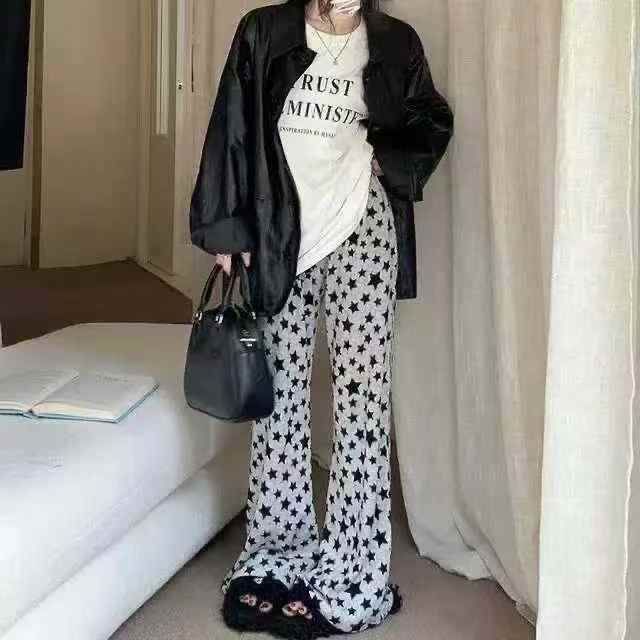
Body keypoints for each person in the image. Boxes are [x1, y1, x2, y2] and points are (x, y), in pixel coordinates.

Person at [189, 1, 453, 637]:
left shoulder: (394, 41)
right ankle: (277, 556)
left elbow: (432, 120)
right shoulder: (265, 31)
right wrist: (226, 228)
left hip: (364, 232)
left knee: (362, 404)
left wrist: (384, 160)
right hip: (280, 233)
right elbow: (231, 125)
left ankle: (355, 572)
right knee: (278, 398)